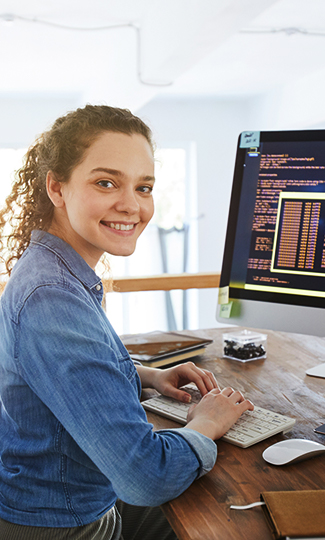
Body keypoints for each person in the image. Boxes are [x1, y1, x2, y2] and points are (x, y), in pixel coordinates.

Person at [0, 104, 254, 539]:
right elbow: (145, 476)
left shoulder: (53, 271)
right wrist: (206, 423)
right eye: (106, 182)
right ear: (56, 189)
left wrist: (145, 376)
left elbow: (59, 380)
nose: (131, 205)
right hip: (62, 522)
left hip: (65, 499)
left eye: (144, 187)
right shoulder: (52, 298)